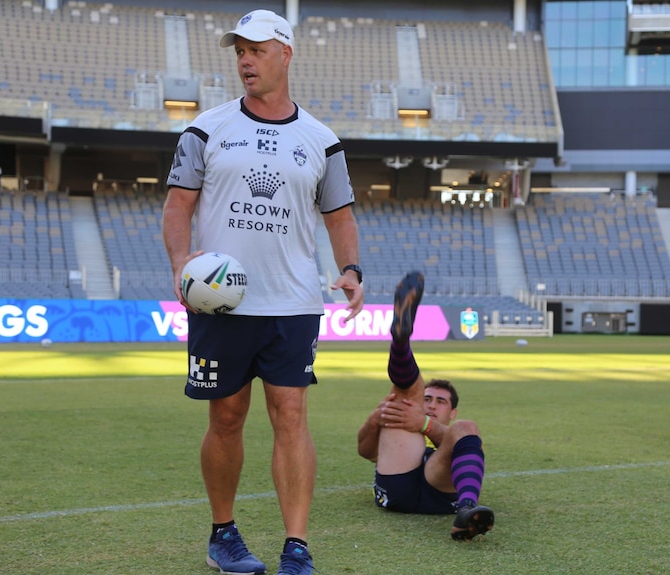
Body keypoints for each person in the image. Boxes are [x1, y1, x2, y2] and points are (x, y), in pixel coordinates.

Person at [162, 9, 363, 575]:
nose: (245, 60)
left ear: (285, 54)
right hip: (219, 302)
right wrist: (182, 263)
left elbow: (341, 216)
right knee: (226, 418)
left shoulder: (322, 140)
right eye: (239, 51)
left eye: (255, 49)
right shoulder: (206, 127)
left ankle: (296, 546)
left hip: (294, 300)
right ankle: (223, 535)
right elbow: (178, 206)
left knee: (291, 413)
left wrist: (351, 269)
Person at [357, 271, 494, 540]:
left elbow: (454, 435)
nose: (430, 404)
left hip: (441, 491)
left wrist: (425, 424)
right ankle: (400, 340)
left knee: (467, 429)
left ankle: (467, 512)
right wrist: (374, 421)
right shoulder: (409, 413)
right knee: (404, 395)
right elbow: (365, 452)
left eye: (440, 402)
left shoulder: (455, 430)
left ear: (451, 411)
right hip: (398, 483)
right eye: (427, 398)